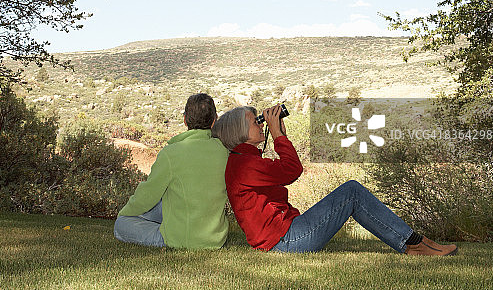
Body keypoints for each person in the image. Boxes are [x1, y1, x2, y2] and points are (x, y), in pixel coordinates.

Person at [211, 104, 458, 256]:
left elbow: (285, 171)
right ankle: (412, 243)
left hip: (285, 236)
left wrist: (280, 135)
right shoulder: (244, 164)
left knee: (351, 192)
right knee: (351, 192)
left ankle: (414, 241)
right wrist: (277, 137)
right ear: (239, 132)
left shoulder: (244, 159)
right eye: (255, 121)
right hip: (284, 242)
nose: (259, 123)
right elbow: (292, 170)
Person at [114, 93, 228, 249]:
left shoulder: (171, 153)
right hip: (216, 239)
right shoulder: (222, 151)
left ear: (185, 119)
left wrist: (125, 212)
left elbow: (147, 195)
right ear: (214, 120)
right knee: (161, 206)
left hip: (182, 239)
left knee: (121, 224)